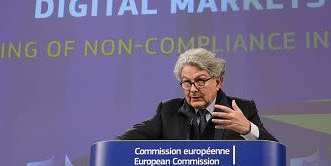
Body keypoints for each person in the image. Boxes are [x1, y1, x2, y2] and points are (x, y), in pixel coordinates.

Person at [118, 48, 276, 141]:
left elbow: (273, 150)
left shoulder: (242, 109)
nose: (193, 89)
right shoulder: (167, 111)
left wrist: (248, 129)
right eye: (186, 82)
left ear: (218, 82)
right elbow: (124, 141)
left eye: (200, 81)